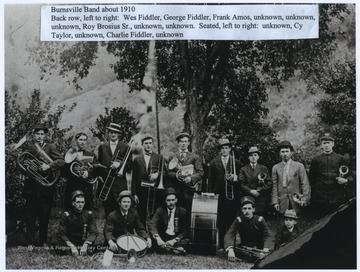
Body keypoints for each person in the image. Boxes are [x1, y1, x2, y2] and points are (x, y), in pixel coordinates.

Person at [20, 124, 65, 246]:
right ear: (34, 135)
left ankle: (43, 241)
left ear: (45, 135)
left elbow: (61, 161)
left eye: (42, 134)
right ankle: (30, 241)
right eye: (37, 134)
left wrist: (48, 166)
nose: (40, 136)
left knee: (44, 216)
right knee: (30, 216)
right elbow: (22, 164)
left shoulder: (51, 146)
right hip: (31, 187)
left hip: (46, 188)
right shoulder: (29, 147)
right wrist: (27, 168)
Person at [308, 133, 353, 218]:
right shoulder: (316, 159)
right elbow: (312, 178)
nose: (326, 145)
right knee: (321, 223)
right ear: (321, 145)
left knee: (337, 222)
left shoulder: (341, 158)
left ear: (333, 144)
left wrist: (345, 180)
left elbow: (350, 176)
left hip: (337, 198)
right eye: (324, 143)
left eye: (328, 143)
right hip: (320, 199)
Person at [208, 138, 241, 248]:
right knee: (221, 222)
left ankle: (231, 245)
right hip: (219, 196)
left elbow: (240, 180)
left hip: (232, 197)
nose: (224, 150)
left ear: (230, 149)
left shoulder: (236, 162)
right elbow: (210, 180)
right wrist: (211, 195)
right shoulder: (213, 162)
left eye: (226, 148)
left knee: (232, 221)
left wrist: (234, 178)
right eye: (222, 148)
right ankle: (222, 245)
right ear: (220, 150)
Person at [97, 123, 133, 216]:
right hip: (106, 184)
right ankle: (109, 230)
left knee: (121, 211)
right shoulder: (102, 147)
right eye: (111, 132)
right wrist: (100, 176)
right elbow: (99, 164)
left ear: (119, 134)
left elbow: (130, 165)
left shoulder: (126, 147)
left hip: (119, 184)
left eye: (115, 132)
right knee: (108, 211)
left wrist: (119, 164)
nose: (113, 134)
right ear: (108, 133)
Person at [224, 196, 273, 262]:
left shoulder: (260, 220)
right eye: (245, 208)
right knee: (229, 252)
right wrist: (230, 249)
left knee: (268, 255)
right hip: (245, 248)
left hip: (259, 249)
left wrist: (266, 249)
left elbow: (268, 235)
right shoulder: (239, 220)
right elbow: (230, 234)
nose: (247, 211)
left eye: (249, 208)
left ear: (253, 209)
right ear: (241, 210)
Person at [50, 190, 99, 256]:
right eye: (78, 202)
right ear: (73, 203)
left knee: (98, 243)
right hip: (70, 242)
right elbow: (61, 233)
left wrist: (86, 244)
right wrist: (71, 246)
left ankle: (71, 251)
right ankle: (72, 250)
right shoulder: (66, 215)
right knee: (54, 242)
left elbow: (94, 232)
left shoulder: (89, 214)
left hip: (83, 241)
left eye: (82, 202)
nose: (80, 204)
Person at [132, 134, 164, 225]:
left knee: (154, 214)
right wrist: (134, 194)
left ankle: (154, 234)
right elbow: (134, 177)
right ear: (142, 145)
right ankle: (143, 235)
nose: (148, 145)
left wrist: (157, 174)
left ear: (152, 144)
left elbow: (165, 172)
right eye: (146, 143)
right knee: (141, 214)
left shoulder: (159, 157)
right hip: (141, 191)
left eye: (150, 143)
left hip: (154, 191)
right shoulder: (137, 159)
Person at [167, 132, 203, 214]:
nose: (184, 144)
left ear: (188, 143)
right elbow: (168, 172)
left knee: (188, 215)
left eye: (185, 141)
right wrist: (177, 175)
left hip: (189, 191)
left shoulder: (195, 157)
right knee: (175, 214)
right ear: (178, 143)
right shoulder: (172, 156)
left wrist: (191, 178)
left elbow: (200, 172)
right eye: (182, 141)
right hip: (176, 191)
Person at [271, 141, 310, 215]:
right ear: (279, 153)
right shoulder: (275, 168)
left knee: (296, 222)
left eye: (287, 151)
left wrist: (305, 199)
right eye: (282, 152)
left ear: (291, 153)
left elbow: (305, 183)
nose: (285, 154)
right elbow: (274, 186)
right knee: (283, 222)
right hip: (282, 200)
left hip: (296, 200)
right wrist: (275, 202)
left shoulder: (299, 166)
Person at [148, 187, 189, 254]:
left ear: (176, 200)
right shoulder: (160, 210)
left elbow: (185, 231)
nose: (171, 203)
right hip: (163, 237)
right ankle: (175, 250)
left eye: (173, 200)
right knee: (152, 238)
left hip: (176, 238)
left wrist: (174, 241)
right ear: (165, 201)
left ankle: (167, 249)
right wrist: (158, 239)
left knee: (187, 240)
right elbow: (152, 225)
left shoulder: (182, 211)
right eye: (168, 200)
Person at [64, 132, 98, 211]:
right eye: (80, 140)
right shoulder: (70, 154)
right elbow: (64, 172)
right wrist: (70, 164)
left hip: (86, 186)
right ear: (76, 141)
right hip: (72, 185)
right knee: (71, 210)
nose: (83, 142)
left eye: (84, 140)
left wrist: (88, 174)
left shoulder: (91, 155)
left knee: (86, 209)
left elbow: (97, 170)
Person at [239, 146, 272, 217]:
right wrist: (250, 191)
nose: (253, 157)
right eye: (251, 155)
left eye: (255, 155)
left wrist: (259, 190)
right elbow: (241, 184)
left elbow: (269, 183)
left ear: (258, 157)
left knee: (260, 220)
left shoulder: (263, 168)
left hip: (260, 198)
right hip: (248, 198)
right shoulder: (243, 169)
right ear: (248, 157)